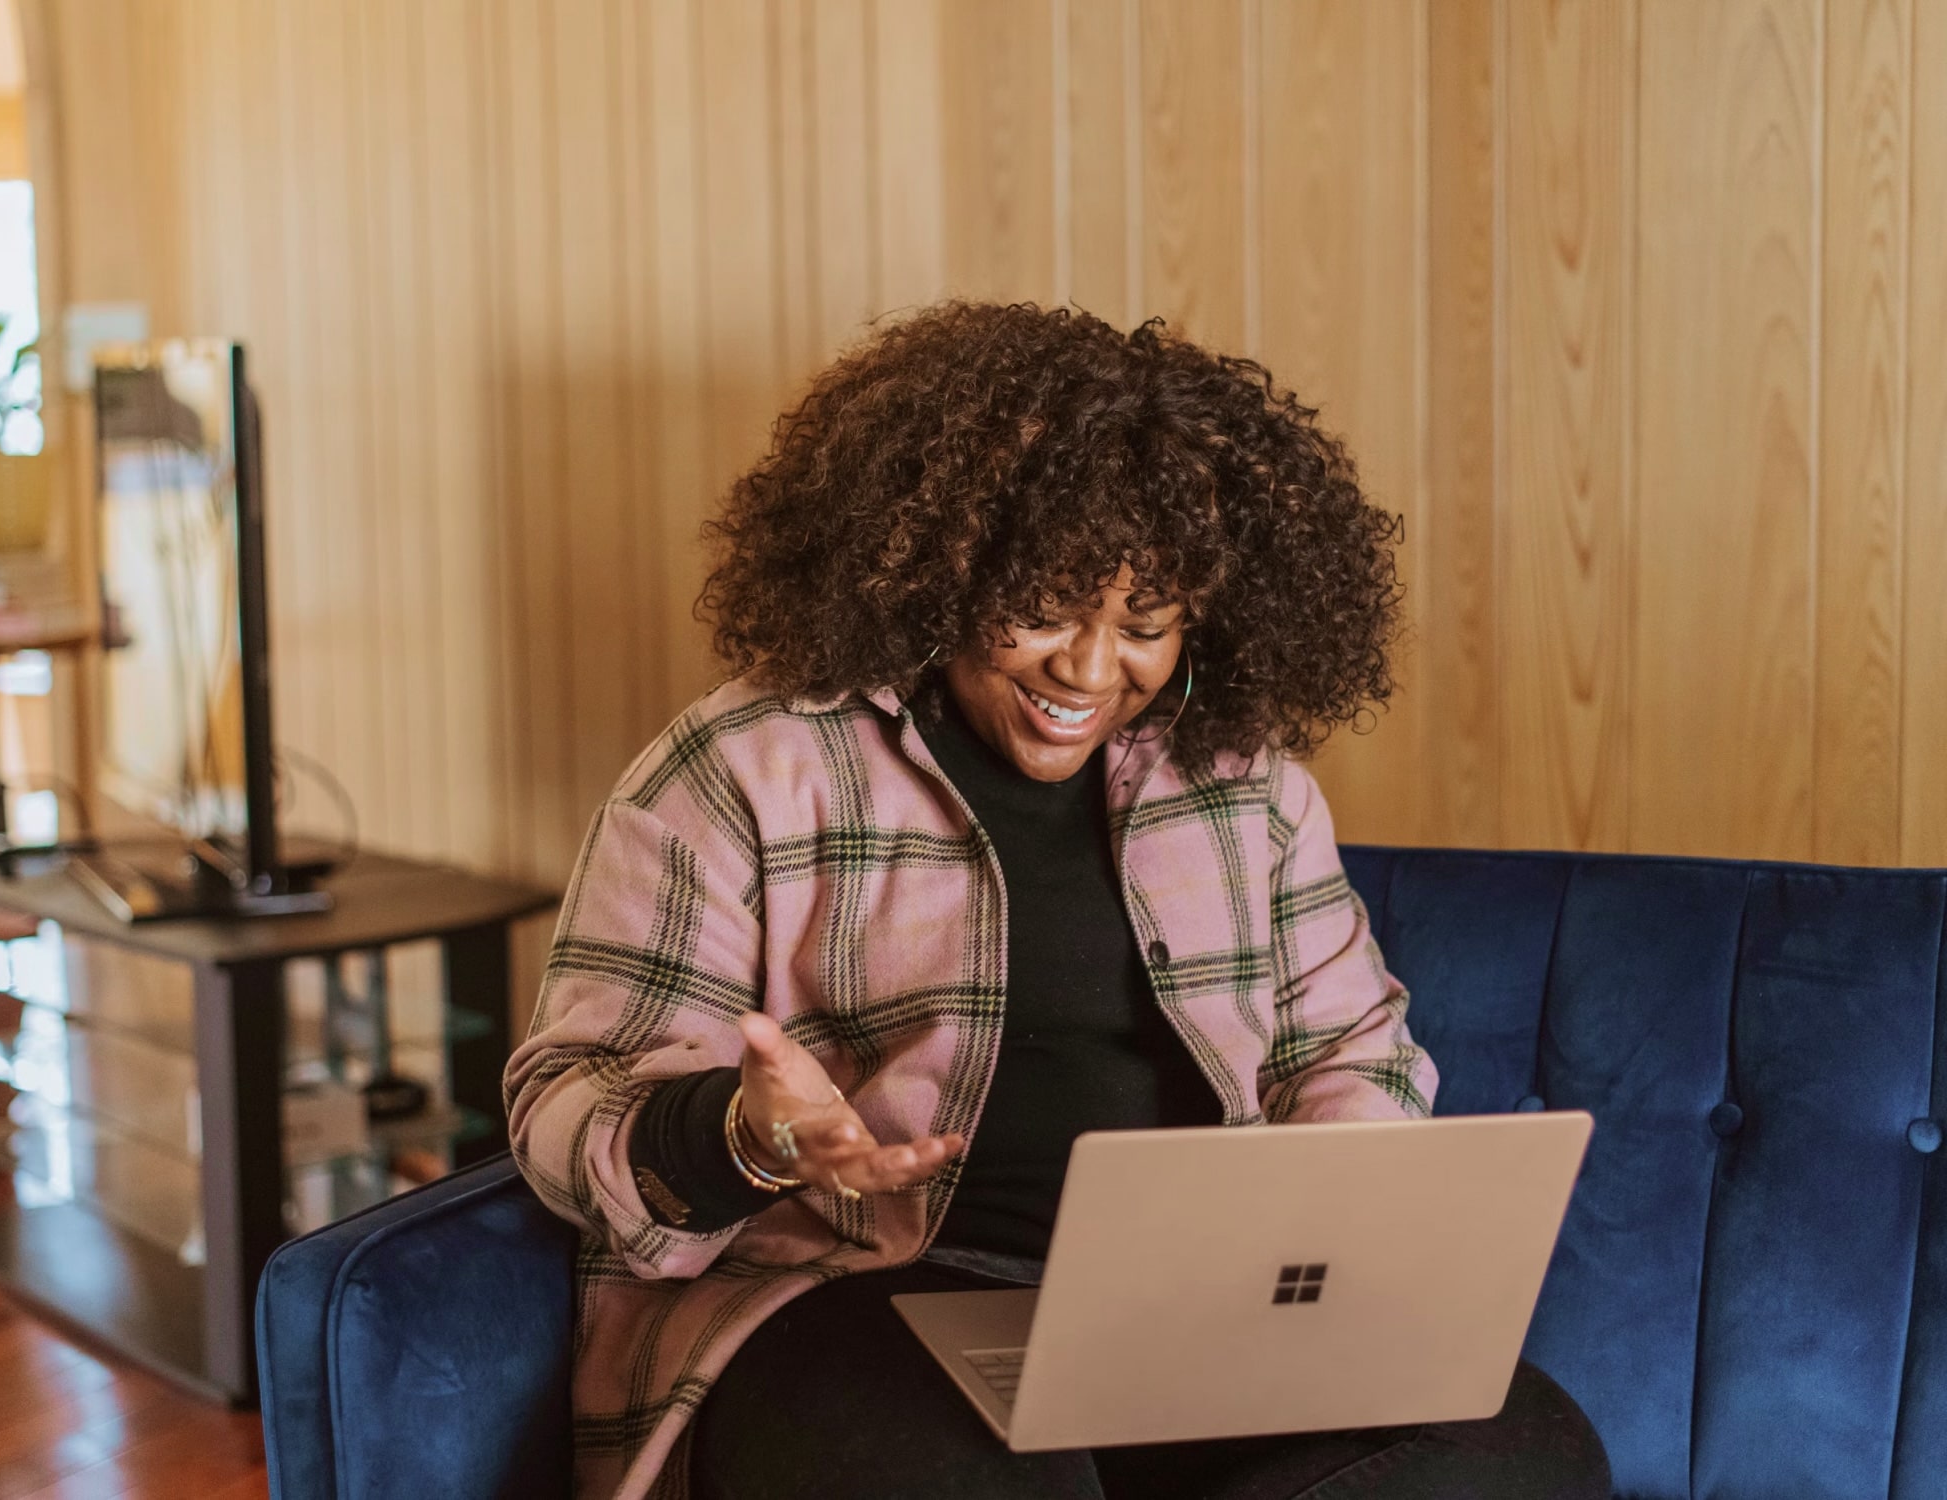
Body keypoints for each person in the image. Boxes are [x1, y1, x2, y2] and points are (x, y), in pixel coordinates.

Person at [503, 302, 1611, 1500]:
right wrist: (744, 1132)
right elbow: (563, 1102)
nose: (1088, 672)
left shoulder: (1250, 788)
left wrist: (1319, 1213)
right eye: (1040, 609)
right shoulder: (747, 767)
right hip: (852, 1300)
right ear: (940, 570)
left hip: (1190, 1313)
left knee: (1521, 1454)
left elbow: (1349, 1052)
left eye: (1143, 625)